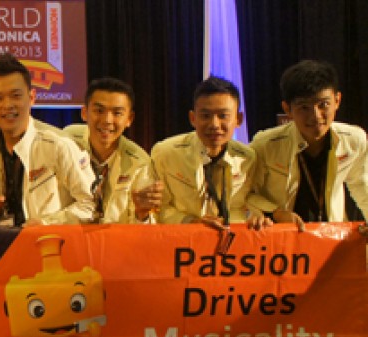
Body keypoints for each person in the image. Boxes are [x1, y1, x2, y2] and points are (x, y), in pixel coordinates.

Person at [0, 52, 96, 226]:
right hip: (3, 247)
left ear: (32, 97)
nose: (7, 105)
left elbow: (91, 206)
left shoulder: (59, 144)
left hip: (52, 246)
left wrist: (45, 224)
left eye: (16, 95)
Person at [249, 60, 368, 231]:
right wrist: (276, 213)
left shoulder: (354, 140)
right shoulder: (265, 145)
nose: (316, 116)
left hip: (331, 236)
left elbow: (362, 187)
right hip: (283, 238)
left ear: (337, 100)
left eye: (323, 105)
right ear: (287, 109)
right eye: (304, 107)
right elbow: (247, 194)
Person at [151, 76, 268, 229]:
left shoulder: (248, 158)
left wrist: (255, 216)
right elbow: (157, 209)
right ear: (193, 118)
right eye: (205, 116)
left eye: (223, 116)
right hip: (180, 242)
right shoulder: (165, 153)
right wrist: (193, 223)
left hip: (231, 244)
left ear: (239, 119)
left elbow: (247, 203)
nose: (214, 124)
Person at [67, 77, 162, 223]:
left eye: (117, 113)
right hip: (70, 238)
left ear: (129, 119)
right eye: (99, 110)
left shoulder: (139, 162)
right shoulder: (68, 143)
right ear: (84, 113)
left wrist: (141, 214)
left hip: (115, 242)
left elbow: (145, 233)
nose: (107, 120)